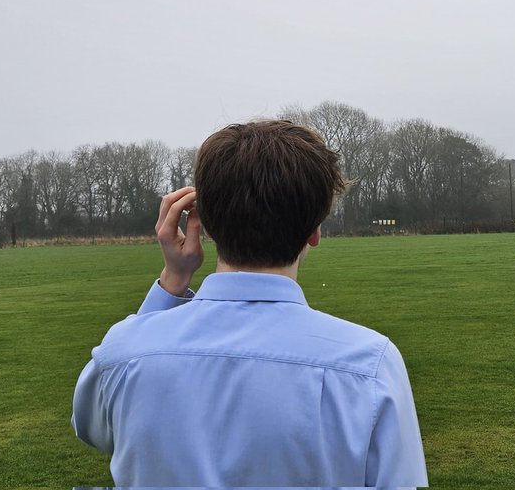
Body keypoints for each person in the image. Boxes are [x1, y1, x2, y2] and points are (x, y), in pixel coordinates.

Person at [73, 119, 428, 488]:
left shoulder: (126, 351)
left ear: (203, 225)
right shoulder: (369, 364)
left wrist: (173, 280)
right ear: (315, 231)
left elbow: (92, 426)